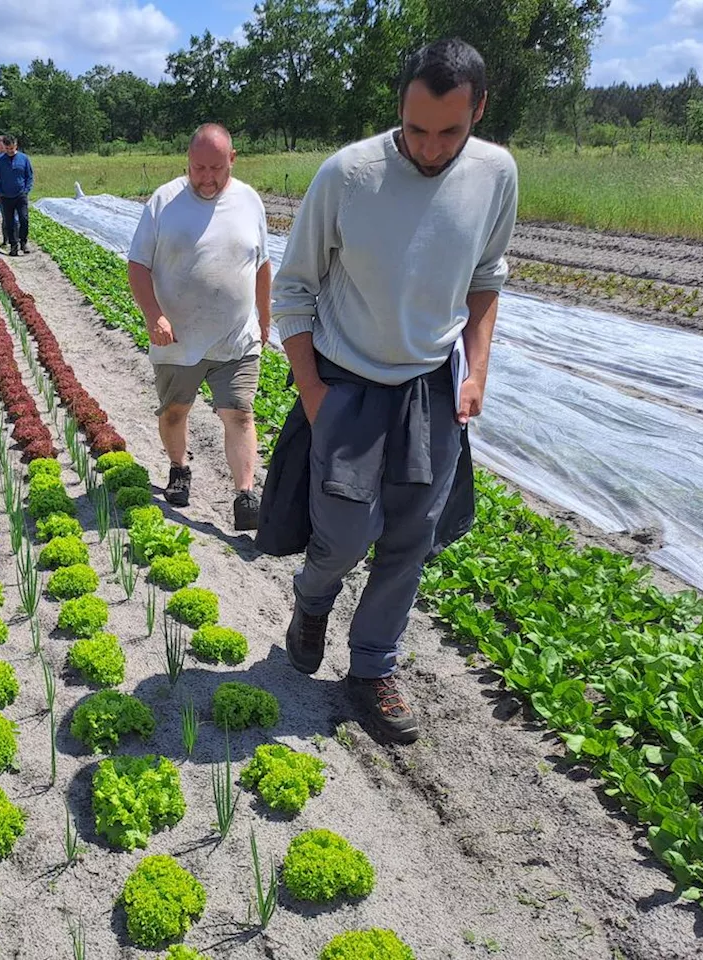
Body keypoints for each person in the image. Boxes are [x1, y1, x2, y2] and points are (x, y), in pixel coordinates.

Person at [268, 39, 518, 744]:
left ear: (478, 112)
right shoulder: (349, 174)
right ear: (399, 106)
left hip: (431, 385)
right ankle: (313, 600)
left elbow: (486, 278)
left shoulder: (495, 173)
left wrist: (475, 371)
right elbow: (293, 289)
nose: (432, 148)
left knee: (411, 536)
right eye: (416, 129)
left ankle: (372, 666)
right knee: (343, 533)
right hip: (348, 381)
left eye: (450, 131)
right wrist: (314, 393)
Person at [126, 123, 269, 532]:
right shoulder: (164, 201)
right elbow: (138, 264)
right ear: (187, 162)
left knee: (239, 413)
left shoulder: (249, 200)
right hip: (178, 338)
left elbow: (261, 266)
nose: (206, 178)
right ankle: (178, 469)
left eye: (216, 168)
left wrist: (264, 318)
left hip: (236, 336)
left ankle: (245, 496)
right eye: (197, 168)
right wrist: (154, 314)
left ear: (233, 160)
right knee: (175, 411)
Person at [0, 135, 33, 256]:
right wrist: (0, 192)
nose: (10, 151)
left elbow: (29, 176)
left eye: (12, 148)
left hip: (21, 195)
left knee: (24, 219)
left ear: (16, 145)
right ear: (5, 147)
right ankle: (13, 246)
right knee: (9, 222)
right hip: (6, 197)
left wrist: (26, 190)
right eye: (8, 148)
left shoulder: (24, 158)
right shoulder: (0, 160)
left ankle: (23, 243)